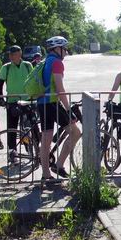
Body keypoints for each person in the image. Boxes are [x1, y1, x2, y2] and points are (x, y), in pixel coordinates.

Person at [37, 36, 80, 182]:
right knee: (75, 132)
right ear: (57, 49)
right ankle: (59, 165)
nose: (66, 52)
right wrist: (69, 109)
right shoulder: (56, 63)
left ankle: (46, 174)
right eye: (65, 48)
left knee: (46, 139)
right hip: (52, 103)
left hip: (41, 103)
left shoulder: (44, 61)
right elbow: (60, 88)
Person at [0, 45, 33, 163]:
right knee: (12, 128)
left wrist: (34, 95)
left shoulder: (27, 65)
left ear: (20, 54)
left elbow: (33, 81)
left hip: (27, 100)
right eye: (10, 54)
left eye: (14, 54)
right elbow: (0, 84)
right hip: (12, 101)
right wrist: (1, 98)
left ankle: (32, 148)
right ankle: (12, 152)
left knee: (30, 125)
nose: (11, 56)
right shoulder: (6, 67)